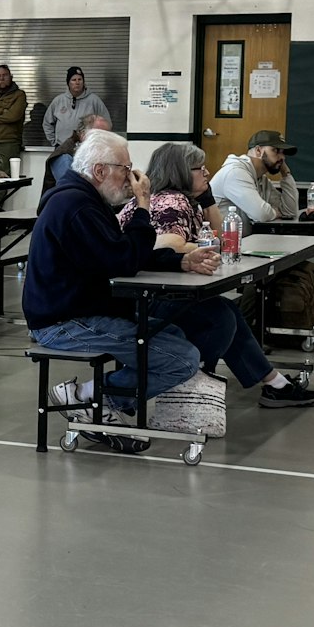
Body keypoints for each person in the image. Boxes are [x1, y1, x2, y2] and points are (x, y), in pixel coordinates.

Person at [24, 130, 216, 433]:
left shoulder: (86, 199)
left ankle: (98, 398)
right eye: (125, 170)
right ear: (100, 171)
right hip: (64, 321)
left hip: (84, 309)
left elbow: (120, 251)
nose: (130, 178)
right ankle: (92, 399)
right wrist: (143, 204)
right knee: (183, 358)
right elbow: (123, 262)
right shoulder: (77, 206)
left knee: (176, 334)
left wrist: (180, 260)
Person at [118, 142, 314, 409]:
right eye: (198, 168)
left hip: (153, 290)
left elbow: (220, 235)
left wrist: (209, 199)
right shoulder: (171, 202)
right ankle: (191, 378)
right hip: (144, 296)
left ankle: (272, 383)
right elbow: (169, 245)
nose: (206, 172)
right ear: (179, 172)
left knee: (225, 310)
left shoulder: (183, 200)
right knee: (220, 318)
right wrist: (205, 247)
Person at [211, 130, 314, 228]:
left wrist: (286, 174)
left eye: (283, 153)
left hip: (245, 243)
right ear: (258, 150)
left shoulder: (261, 179)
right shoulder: (235, 173)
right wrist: (275, 213)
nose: (282, 157)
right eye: (276, 151)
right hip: (219, 246)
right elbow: (261, 214)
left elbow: (290, 212)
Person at [41, 66, 111, 145]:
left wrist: (97, 144)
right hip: (62, 148)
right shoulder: (58, 101)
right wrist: (54, 142)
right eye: (74, 80)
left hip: (86, 148)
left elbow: (106, 124)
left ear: (83, 82)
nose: (77, 83)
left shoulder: (94, 101)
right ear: (68, 83)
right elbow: (47, 123)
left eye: (80, 79)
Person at [44, 113, 110, 191]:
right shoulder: (65, 156)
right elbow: (71, 190)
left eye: (108, 136)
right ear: (83, 135)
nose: (105, 141)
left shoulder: (93, 154)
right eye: (99, 136)